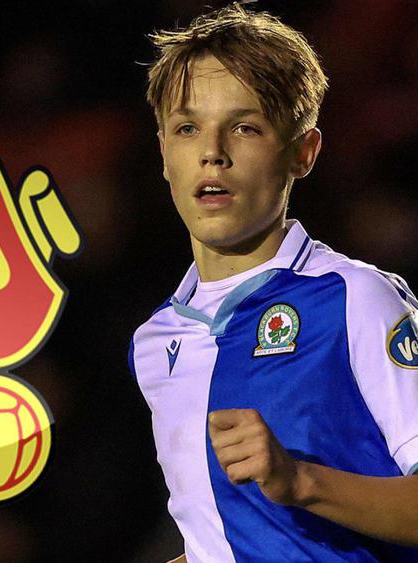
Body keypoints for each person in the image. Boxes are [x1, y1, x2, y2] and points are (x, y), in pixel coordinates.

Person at [128, 3, 418, 561]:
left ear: (302, 153)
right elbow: (231, 541)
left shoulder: (354, 299)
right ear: (164, 152)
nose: (212, 153)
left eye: (244, 127)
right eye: (187, 128)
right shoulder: (154, 342)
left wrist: (300, 481)